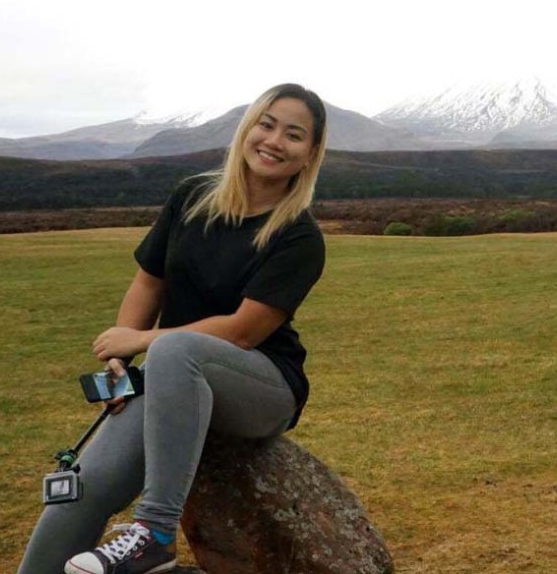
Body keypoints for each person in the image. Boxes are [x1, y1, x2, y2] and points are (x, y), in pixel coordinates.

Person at [18, 83, 329, 574]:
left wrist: (141, 341)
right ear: (248, 127)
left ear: (310, 154)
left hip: (260, 386)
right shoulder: (192, 197)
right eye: (266, 124)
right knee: (83, 488)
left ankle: (155, 534)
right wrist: (122, 362)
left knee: (177, 348)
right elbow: (148, 282)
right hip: (174, 370)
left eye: (294, 134)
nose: (274, 140)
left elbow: (243, 331)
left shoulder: (299, 236)